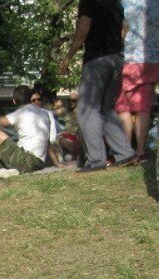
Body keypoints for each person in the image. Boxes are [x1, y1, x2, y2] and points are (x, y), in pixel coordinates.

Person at [59, 0, 139, 172]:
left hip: (97, 60)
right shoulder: (116, 3)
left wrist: (67, 58)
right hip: (116, 58)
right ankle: (125, 154)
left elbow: (84, 28)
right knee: (105, 109)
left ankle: (96, 161)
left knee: (86, 110)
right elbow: (124, 29)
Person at [115, 0, 159, 162]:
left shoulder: (123, 2)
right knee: (143, 108)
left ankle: (126, 152)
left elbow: (119, 28)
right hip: (151, 59)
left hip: (126, 58)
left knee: (122, 107)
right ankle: (140, 151)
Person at [0, 85, 58, 174]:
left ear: (14, 101)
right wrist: (57, 163)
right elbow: (47, 142)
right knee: (0, 165)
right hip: (39, 164)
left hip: (27, 161)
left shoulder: (19, 114)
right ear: (30, 98)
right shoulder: (45, 113)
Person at [58, 91, 84, 161]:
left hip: (77, 135)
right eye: (69, 100)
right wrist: (57, 105)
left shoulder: (82, 111)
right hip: (67, 135)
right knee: (58, 138)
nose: (71, 102)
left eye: (74, 100)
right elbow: (54, 112)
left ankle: (73, 156)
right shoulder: (66, 110)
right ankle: (70, 156)